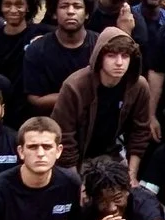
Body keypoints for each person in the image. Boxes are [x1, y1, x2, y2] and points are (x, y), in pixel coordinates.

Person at [49, 29, 155, 170]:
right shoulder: (75, 86)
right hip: (76, 159)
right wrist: (75, 181)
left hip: (113, 153)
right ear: (99, 58)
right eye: (111, 56)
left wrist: (132, 173)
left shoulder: (138, 86)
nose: (119, 63)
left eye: (125, 56)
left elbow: (140, 132)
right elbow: (64, 135)